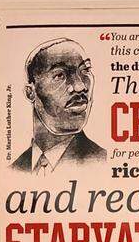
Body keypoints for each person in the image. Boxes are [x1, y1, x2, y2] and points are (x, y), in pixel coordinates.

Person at [12, 38, 107, 174]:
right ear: (30, 92)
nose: (80, 87)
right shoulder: (15, 170)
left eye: (85, 70)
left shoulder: (102, 162)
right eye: (60, 75)